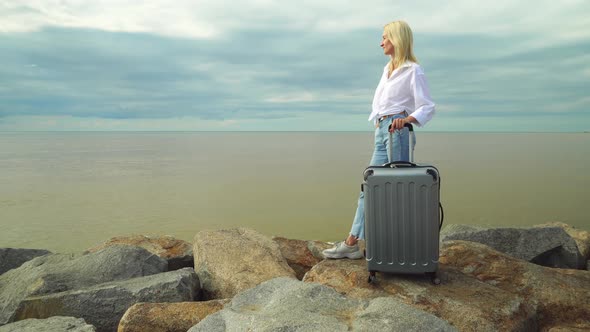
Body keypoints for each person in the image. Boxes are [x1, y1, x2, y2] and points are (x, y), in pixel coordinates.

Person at [323, 20, 436, 259]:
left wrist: (406, 121)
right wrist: (380, 123)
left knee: (399, 190)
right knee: (370, 187)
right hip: (382, 130)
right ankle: (353, 242)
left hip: (398, 131)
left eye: (385, 37)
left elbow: (427, 106)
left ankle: (399, 246)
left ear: (396, 39)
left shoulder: (413, 70)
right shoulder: (387, 69)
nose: (381, 41)